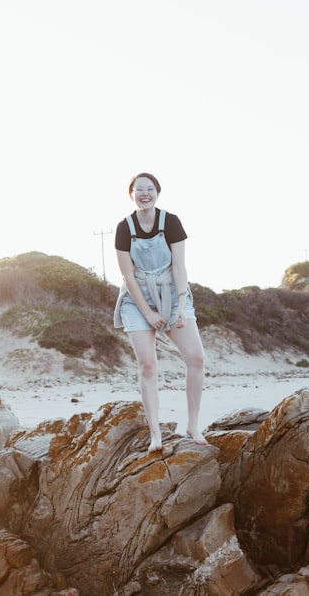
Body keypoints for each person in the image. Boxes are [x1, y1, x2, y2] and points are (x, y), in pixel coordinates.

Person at [113, 172, 207, 453]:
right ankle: (156, 434)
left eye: (149, 188)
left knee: (197, 358)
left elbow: (179, 267)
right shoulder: (124, 227)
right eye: (138, 189)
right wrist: (149, 314)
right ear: (131, 194)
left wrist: (179, 306)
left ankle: (193, 425)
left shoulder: (172, 222)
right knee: (147, 365)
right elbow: (128, 277)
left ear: (157, 192)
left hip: (171, 292)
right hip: (137, 297)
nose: (144, 193)